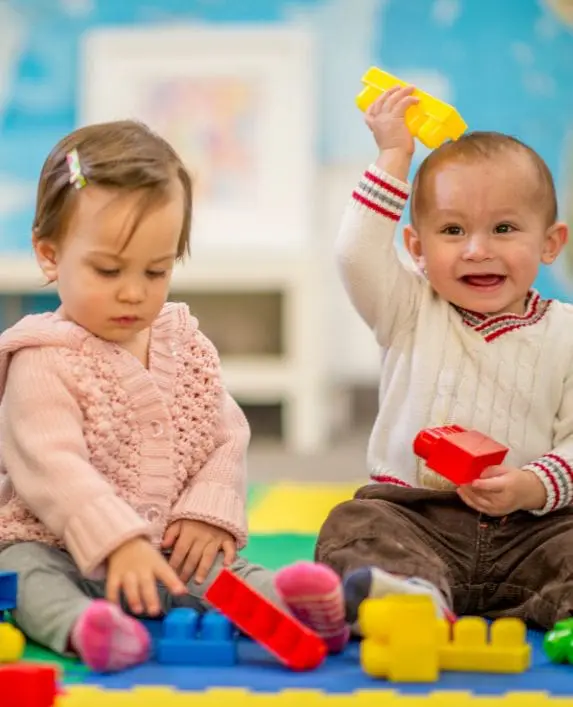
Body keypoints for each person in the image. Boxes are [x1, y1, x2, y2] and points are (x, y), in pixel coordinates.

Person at [0, 120, 348, 672]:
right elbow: (53, 468)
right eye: (108, 270)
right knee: (25, 577)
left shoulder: (184, 342)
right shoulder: (41, 359)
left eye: (156, 270)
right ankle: (87, 629)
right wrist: (117, 540)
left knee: (223, 576)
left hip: (168, 552)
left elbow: (224, 432)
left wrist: (209, 510)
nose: (134, 291)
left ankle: (302, 613)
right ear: (49, 255)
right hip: (61, 548)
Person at [316, 85, 573, 630]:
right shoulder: (407, 306)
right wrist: (392, 157)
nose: (477, 249)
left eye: (504, 229)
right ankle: (409, 600)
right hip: (416, 520)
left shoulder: (566, 333)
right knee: (354, 523)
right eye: (453, 231)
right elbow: (354, 253)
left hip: (534, 528)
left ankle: (562, 611)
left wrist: (532, 484)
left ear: (550, 244)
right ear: (417, 247)